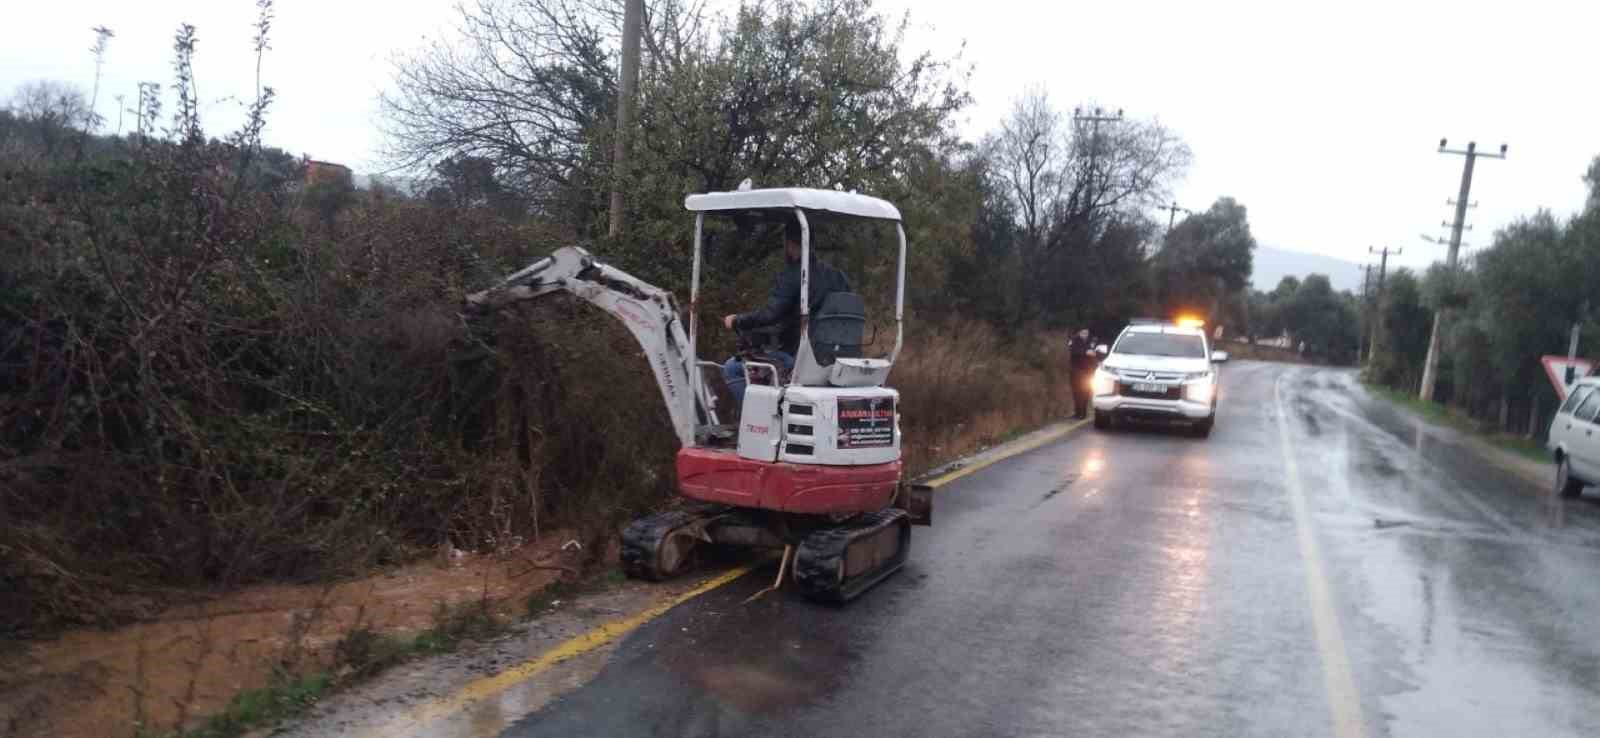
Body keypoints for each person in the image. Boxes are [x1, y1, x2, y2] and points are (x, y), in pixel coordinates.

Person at [721, 219, 850, 409]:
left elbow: (771, 314)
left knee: (732, 368)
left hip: (801, 360)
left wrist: (737, 320)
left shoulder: (794, 274)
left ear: (789, 244)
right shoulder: (838, 276)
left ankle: (755, 422)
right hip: (835, 358)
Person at [1067, 328, 1099, 419]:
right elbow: (1073, 351)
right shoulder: (1074, 340)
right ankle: (1077, 412)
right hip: (1076, 370)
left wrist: (1096, 355)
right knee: (1076, 392)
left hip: (1088, 371)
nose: (1085, 334)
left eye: (1087, 333)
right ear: (1079, 332)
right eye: (1083, 332)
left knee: (1085, 391)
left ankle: (1083, 413)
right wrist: (1085, 352)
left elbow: (1097, 352)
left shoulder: (1092, 341)